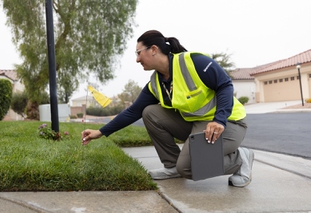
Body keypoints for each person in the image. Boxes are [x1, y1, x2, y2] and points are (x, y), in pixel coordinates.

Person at [81, 30, 254, 187]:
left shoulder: (194, 62)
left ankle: (240, 159)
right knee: (150, 112)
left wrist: (219, 119)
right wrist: (101, 132)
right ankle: (172, 166)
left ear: (154, 49)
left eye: (138, 53)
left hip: (229, 123)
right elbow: (133, 111)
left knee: (187, 169)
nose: (137, 59)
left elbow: (224, 85)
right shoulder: (156, 83)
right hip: (197, 123)